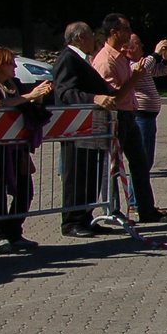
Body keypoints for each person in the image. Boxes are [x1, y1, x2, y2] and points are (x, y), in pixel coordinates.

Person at [0, 48, 51, 253]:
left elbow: (26, 100)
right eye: (10, 63)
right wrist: (29, 96)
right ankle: (0, 235)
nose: (15, 66)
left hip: (16, 146)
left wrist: (37, 97)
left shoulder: (13, 85)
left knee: (26, 188)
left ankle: (15, 231)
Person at [94, 13, 167, 223]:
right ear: (114, 32)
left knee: (140, 163)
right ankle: (113, 210)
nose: (129, 34)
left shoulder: (120, 57)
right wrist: (135, 78)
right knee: (112, 166)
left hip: (130, 116)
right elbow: (113, 96)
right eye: (126, 30)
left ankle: (146, 209)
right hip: (115, 118)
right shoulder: (105, 61)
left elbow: (159, 71)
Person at [51, 21, 122, 237]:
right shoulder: (68, 59)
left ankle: (85, 216)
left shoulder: (82, 60)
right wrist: (95, 98)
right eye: (91, 35)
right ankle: (72, 221)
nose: (95, 38)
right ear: (80, 37)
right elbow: (65, 92)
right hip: (75, 127)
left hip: (90, 127)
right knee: (76, 174)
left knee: (90, 174)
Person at [122, 33, 167, 169]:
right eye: (138, 43)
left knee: (147, 160)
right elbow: (142, 69)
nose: (142, 46)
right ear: (129, 48)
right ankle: (135, 190)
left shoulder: (143, 64)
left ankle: (139, 188)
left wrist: (166, 56)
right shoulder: (129, 65)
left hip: (150, 117)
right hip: (140, 116)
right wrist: (156, 53)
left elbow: (162, 71)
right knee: (141, 161)